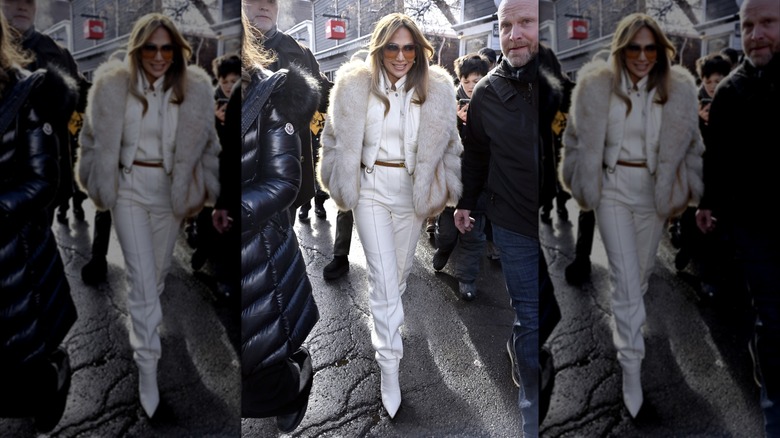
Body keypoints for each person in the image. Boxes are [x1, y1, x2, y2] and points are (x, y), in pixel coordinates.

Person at [77, 13, 220, 418]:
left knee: (154, 278)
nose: (158, 56)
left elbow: (208, 144)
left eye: (166, 47)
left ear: (176, 51)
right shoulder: (111, 86)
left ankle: (143, 325)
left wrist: (206, 187)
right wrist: (95, 175)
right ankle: (147, 376)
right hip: (128, 192)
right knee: (142, 281)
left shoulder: (193, 90)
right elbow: (90, 137)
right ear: (137, 50)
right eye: (150, 48)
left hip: (171, 195)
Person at [319, 13, 462, 418]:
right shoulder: (353, 84)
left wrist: (446, 186)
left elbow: (451, 143)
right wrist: (336, 173)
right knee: (383, 278)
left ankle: (384, 319)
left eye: (408, 47)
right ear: (379, 49)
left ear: (418, 50)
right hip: (369, 190)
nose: (400, 56)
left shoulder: (436, 88)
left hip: (413, 193)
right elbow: (331, 136)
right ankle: (389, 366)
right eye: (392, 47)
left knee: (396, 278)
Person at [561, 13, 704, 417]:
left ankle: (627, 320)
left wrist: (688, 185)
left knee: (638, 278)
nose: (642, 56)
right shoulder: (595, 86)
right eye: (634, 48)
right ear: (621, 50)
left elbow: (692, 143)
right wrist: (579, 174)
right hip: (612, 192)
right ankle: (631, 374)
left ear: (660, 51)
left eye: (650, 47)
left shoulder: (677, 90)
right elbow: (574, 137)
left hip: (655, 195)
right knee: (626, 280)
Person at [453, 1, 558, 434]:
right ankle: (530, 413)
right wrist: (465, 204)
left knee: (547, 313)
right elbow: (476, 155)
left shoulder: (555, 75)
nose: (515, 33)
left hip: (549, 215)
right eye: (506, 25)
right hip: (510, 219)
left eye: (526, 23)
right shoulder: (486, 94)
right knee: (531, 313)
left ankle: (522, 345)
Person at [696, 0, 780, 433]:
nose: (756, 34)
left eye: (767, 23)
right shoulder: (730, 90)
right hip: (756, 230)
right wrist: (708, 204)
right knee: (773, 319)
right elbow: (718, 158)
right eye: (748, 25)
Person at [239, 11, 320, 433]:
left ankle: (294, 378)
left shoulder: (280, 71)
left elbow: (285, 174)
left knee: (264, 355)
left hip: (261, 230)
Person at [0, 9, 78, 432]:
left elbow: (69, 108)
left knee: (24, 353)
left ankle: (49, 377)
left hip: (28, 209)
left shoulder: (48, 56)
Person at [1, 0, 90, 225]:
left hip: (47, 181)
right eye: (12, 0)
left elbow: (86, 99)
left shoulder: (58, 54)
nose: (22, 7)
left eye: (29, 1)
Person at [243, 0, 331, 222]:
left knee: (281, 250)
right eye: (254, 0)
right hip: (242, 181)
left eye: (271, 1)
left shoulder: (300, 54)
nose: (264, 7)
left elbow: (328, 98)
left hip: (287, 180)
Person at [433, 52, 490, 301]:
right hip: (452, 181)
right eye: (467, 82)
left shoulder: (493, 102)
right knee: (447, 232)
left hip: (479, 184)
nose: (471, 87)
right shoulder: (448, 102)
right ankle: (443, 249)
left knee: (473, 236)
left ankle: (467, 278)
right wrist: (457, 124)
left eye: (477, 81)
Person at [321, 49, 370, 281]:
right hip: (350, 164)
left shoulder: (382, 92)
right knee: (345, 210)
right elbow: (330, 131)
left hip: (376, 167)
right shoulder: (342, 93)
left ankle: (386, 262)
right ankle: (340, 256)